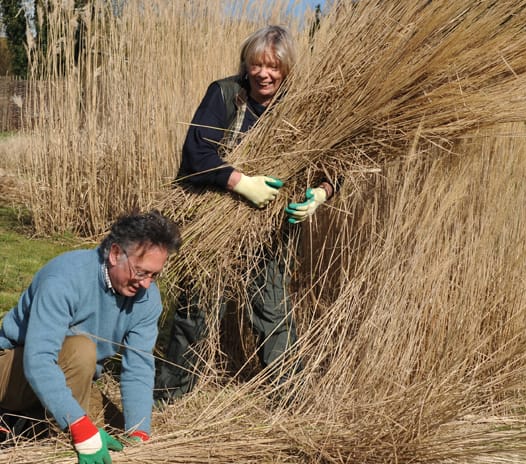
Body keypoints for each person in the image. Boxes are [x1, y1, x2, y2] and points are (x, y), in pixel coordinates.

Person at [155, 25, 337, 402]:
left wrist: (320, 193)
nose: (263, 74)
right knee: (196, 309)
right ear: (246, 64)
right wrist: (242, 183)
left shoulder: (301, 106)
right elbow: (197, 154)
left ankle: (290, 399)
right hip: (215, 220)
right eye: (256, 64)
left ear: (287, 69)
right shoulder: (224, 94)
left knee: (272, 310)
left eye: (273, 66)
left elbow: (334, 163)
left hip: (270, 228)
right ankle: (169, 397)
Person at [0, 210, 181, 463]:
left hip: (71, 372)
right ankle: (19, 423)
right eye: (141, 272)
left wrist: (139, 432)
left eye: (154, 275)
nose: (147, 285)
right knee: (82, 352)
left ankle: (31, 423)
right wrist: (79, 427)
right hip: (11, 368)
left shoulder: (147, 299)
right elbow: (39, 359)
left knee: (117, 434)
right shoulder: (64, 278)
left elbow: (138, 367)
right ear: (115, 253)